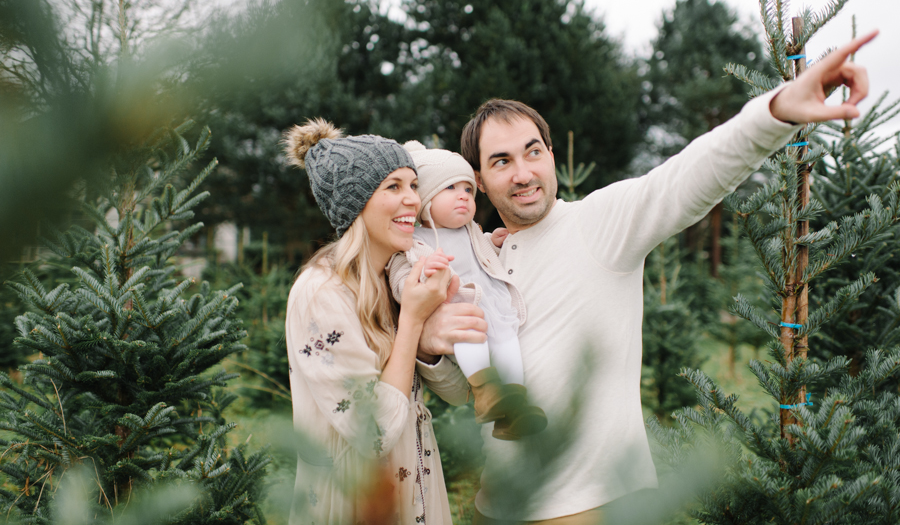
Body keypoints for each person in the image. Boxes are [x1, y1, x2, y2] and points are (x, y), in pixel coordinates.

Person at [415, 32, 879, 524]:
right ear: (480, 180)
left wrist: (778, 109)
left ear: (551, 154)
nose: (523, 173)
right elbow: (462, 392)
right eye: (501, 161)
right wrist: (430, 347)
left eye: (532, 152)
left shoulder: (599, 223)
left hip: (588, 506)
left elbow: (687, 178)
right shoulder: (478, 259)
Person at [282, 118, 470, 525]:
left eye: (413, 185)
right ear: (356, 203)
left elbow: (458, 394)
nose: (413, 201)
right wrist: (414, 323)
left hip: (416, 481)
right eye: (393, 187)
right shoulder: (321, 294)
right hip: (358, 500)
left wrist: (429, 342)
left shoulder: (400, 282)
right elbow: (374, 433)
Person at [386, 141, 547, 441]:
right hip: (459, 308)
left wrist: (494, 243)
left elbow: (479, 251)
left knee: (507, 342)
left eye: (468, 190)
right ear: (425, 199)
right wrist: (423, 272)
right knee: (469, 336)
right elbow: (398, 278)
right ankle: (484, 391)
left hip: (493, 303)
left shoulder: (471, 230)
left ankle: (515, 403)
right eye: (450, 188)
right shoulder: (415, 240)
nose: (463, 196)